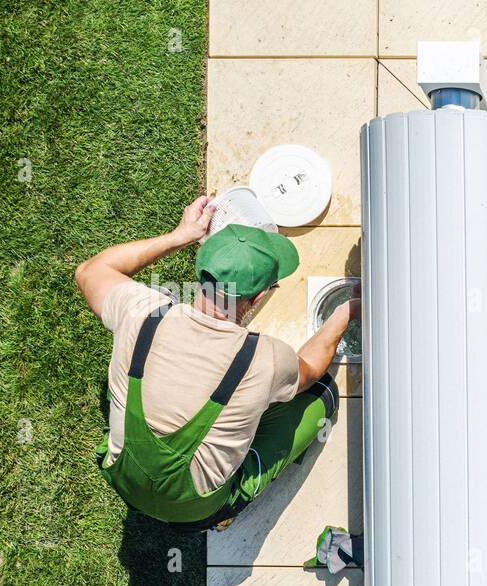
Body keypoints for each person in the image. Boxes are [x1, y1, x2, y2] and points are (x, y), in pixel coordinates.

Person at [74, 196, 357, 530]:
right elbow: (311, 368)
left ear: (200, 270)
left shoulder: (142, 312)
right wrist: (345, 313)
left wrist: (180, 235)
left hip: (122, 475)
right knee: (320, 395)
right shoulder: (264, 359)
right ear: (259, 297)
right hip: (195, 510)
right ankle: (223, 513)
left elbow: (89, 271)